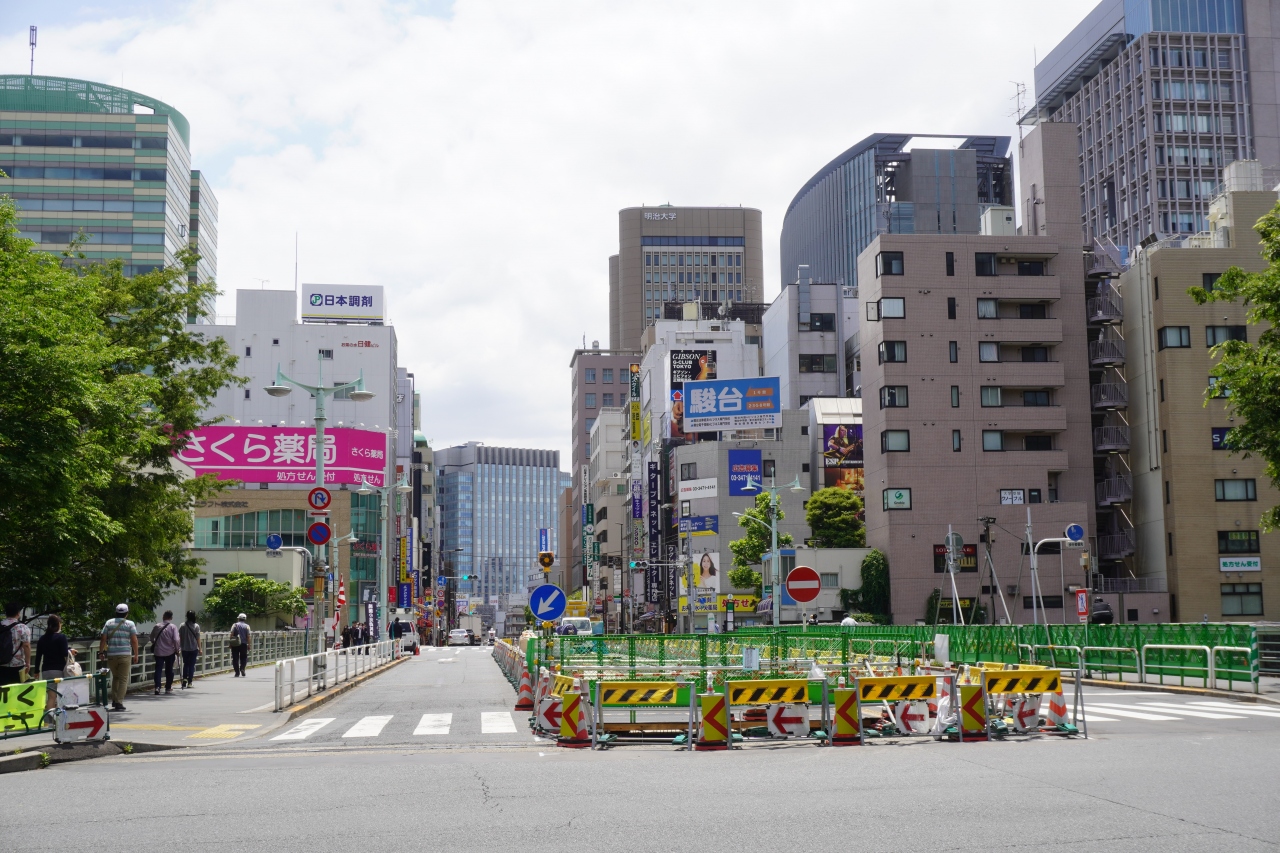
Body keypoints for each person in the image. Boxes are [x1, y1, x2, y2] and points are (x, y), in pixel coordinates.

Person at [99, 604, 138, 711]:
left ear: (116, 612)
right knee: (123, 679)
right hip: (125, 655)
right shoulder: (130, 624)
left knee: (115, 677)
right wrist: (136, 654)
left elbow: (103, 639)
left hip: (111, 655)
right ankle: (119, 702)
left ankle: (114, 700)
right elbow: (134, 640)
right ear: (127, 613)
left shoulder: (109, 623)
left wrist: (101, 652)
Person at [0, 603, 31, 687]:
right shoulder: (22, 627)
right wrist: (28, 663)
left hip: (1, 665)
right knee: (17, 691)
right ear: (18, 613)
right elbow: (26, 646)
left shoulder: (1, 625)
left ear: (6, 613)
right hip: (17, 665)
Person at [150, 611, 180, 695]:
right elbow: (176, 639)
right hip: (170, 651)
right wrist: (177, 649)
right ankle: (168, 687)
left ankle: (157, 687)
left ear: (163, 616)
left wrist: (155, 643)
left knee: (158, 669)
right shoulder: (173, 627)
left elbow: (151, 638)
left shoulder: (157, 626)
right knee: (169, 669)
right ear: (171, 618)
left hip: (158, 651)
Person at [179, 611, 202, 689]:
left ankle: (184, 679)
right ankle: (190, 682)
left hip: (184, 648)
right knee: (191, 665)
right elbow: (198, 638)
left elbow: (179, 637)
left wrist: (179, 647)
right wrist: (200, 649)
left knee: (186, 664)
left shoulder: (182, 625)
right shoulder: (196, 626)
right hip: (193, 648)